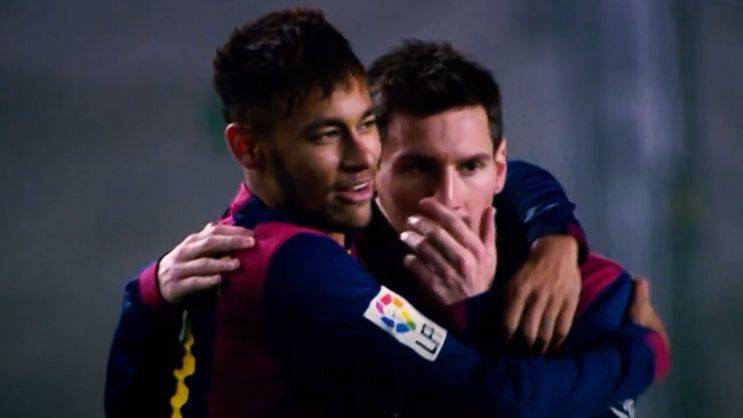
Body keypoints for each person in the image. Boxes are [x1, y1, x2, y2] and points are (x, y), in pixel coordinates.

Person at [105, 8, 668, 418]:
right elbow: (489, 398)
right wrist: (639, 355)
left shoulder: (244, 237)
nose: (360, 158)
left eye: (366, 125)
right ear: (248, 148)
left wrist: (553, 234)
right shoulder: (304, 267)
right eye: (327, 136)